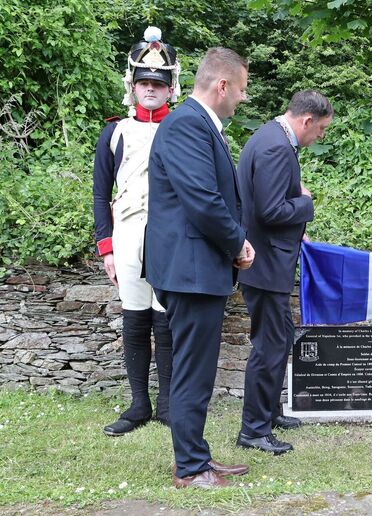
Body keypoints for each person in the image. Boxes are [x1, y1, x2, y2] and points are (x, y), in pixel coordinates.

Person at [145, 47, 255, 488]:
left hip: (195, 269)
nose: (242, 99)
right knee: (193, 370)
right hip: (190, 271)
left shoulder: (197, 125)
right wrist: (238, 244)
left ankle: (197, 457)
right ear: (221, 85)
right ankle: (189, 469)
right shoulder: (188, 125)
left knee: (199, 369)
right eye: (242, 90)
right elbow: (203, 201)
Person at [92, 27, 180, 437]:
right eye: (144, 82)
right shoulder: (113, 132)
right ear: (133, 85)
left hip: (169, 238)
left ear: (169, 89)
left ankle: (166, 404)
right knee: (135, 318)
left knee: (165, 320)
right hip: (127, 236)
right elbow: (99, 194)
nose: (150, 90)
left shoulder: (182, 128)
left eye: (157, 84)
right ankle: (139, 404)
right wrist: (106, 248)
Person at [235, 90, 333, 454]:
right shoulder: (277, 147)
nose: (320, 136)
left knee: (280, 336)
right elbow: (271, 212)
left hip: (267, 261)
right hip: (265, 265)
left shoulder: (270, 137)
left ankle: (270, 411)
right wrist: (304, 204)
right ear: (306, 121)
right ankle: (253, 430)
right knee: (269, 344)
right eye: (321, 129)